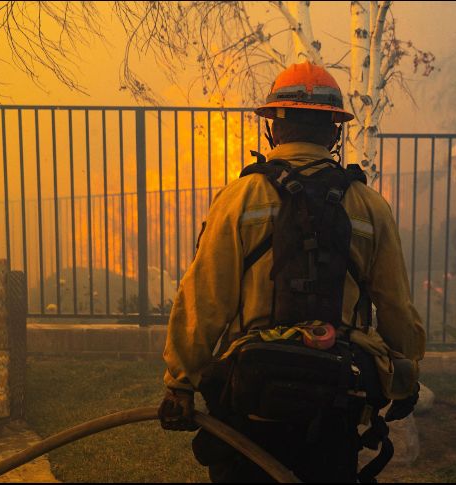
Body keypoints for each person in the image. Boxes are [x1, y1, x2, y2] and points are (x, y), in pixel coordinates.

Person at [158, 61, 426, 483]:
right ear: (334, 132)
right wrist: (405, 372)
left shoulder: (240, 198)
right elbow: (395, 304)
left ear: (273, 129)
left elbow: (205, 298)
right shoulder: (369, 207)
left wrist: (181, 381)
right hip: (337, 397)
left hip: (249, 398)